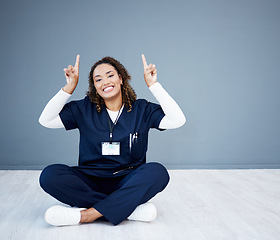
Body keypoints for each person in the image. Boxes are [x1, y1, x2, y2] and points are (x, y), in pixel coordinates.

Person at [38, 54, 186, 226]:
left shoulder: (142, 109)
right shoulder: (83, 108)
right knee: (50, 175)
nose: (105, 82)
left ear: (121, 79)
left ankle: (88, 214)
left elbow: (178, 120)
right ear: (95, 86)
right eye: (98, 79)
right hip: (90, 180)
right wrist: (69, 88)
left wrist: (154, 85)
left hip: (127, 179)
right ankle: (127, 209)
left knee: (157, 172)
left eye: (110, 75)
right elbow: (45, 120)